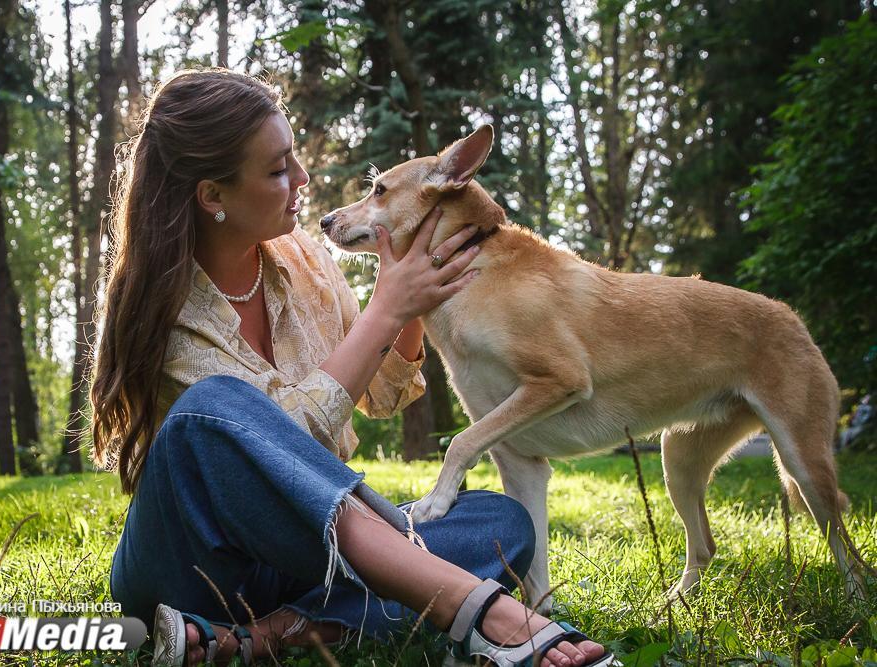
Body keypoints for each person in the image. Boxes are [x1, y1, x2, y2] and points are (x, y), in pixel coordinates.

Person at [90, 68, 617, 667]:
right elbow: (278, 444)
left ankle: (263, 637)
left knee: (502, 523)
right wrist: (386, 306)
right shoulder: (166, 305)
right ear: (213, 195)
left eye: (294, 159)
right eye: (277, 169)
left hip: (310, 553)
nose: (302, 179)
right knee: (214, 410)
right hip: (195, 570)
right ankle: (474, 607)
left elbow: (383, 397)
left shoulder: (307, 262)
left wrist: (414, 297)